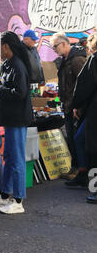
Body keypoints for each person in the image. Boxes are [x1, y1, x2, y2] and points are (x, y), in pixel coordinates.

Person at [0, 31, 33, 214]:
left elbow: (20, 92)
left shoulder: (17, 66)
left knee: (16, 158)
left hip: (17, 119)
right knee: (9, 157)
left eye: (0, 46)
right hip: (11, 118)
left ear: (6, 46)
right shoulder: (8, 65)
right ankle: (5, 195)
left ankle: (18, 200)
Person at [50, 32, 87, 179]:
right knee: (71, 138)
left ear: (64, 43)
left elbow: (84, 85)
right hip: (68, 106)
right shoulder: (66, 60)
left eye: (55, 47)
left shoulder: (77, 60)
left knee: (76, 139)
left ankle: (80, 171)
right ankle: (75, 169)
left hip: (75, 108)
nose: (54, 50)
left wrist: (78, 106)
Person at [72, 32, 97, 204]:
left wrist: (77, 104)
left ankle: (94, 188)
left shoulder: (94, 60)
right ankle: (84, 175)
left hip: (94, 111)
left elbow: (84, 84)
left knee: (93, 148)